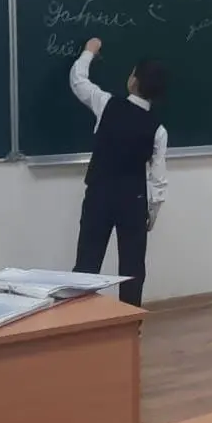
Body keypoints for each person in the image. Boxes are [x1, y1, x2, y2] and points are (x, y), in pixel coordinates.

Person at [69, 38, 167, 307]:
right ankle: (130, 324)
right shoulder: (158, 129)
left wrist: (89, 52)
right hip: (134, 201)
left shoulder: (107, 104)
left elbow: (78, 80)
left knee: (87, 263)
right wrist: (151, 214)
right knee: (133, 269)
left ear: (133, 81)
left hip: (99, 195)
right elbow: (158, 180)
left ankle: (79, 319)